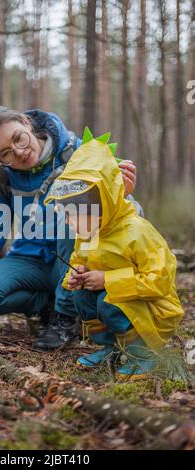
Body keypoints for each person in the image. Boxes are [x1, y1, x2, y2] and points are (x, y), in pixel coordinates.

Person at [0, 106, 142, 351]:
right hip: (31, 262)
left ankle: (64, 317)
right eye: (6, 154)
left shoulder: (81, 153)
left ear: (26, 123)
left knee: (72, 216)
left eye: (18, 138)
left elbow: (135, 219)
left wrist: (123, 196)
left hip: (78, 264)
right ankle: (48, 304)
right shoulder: (6, 179)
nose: (20, 153)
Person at [44, 134, 183, 379]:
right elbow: (80, 257)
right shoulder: (90, 231)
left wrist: (108, 280)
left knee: (109, 301)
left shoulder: (136, 231)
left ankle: (144, 354)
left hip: (154, 310)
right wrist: (75, 275)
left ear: (104, 202)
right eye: (66, 214)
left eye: (75, 214)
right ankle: (111, 348)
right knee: (83, 299)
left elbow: (160, 280)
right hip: (120, 299)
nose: (70, 222)